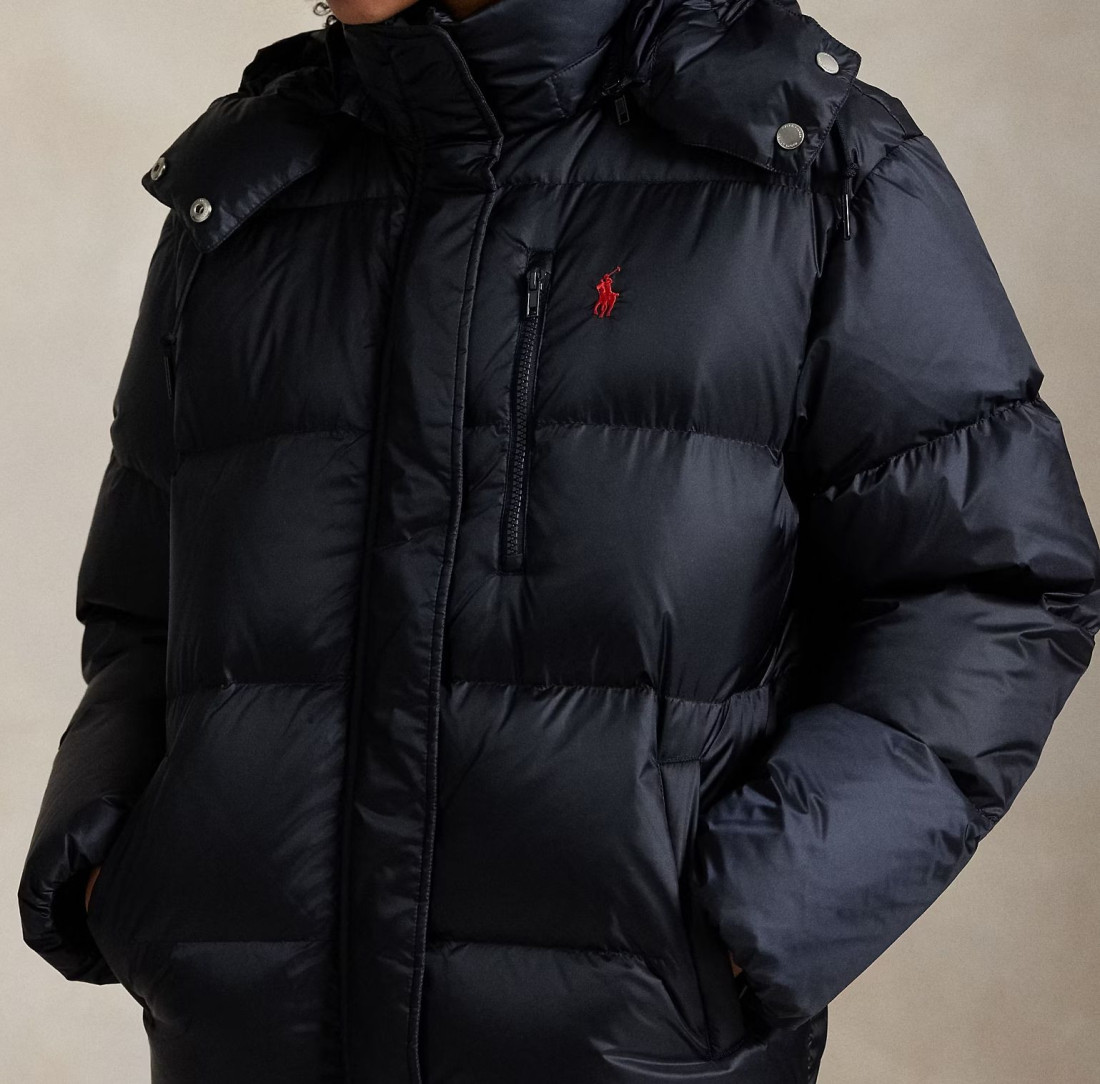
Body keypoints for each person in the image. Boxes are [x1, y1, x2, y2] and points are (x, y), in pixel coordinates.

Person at [18, 0, 1100, 1081]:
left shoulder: (808, 170)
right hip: (249, 1044)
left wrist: (749, 912)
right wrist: (117, 855)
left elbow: (994, 583)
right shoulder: (251, 191)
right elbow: (146, 608)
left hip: (629, 1048)